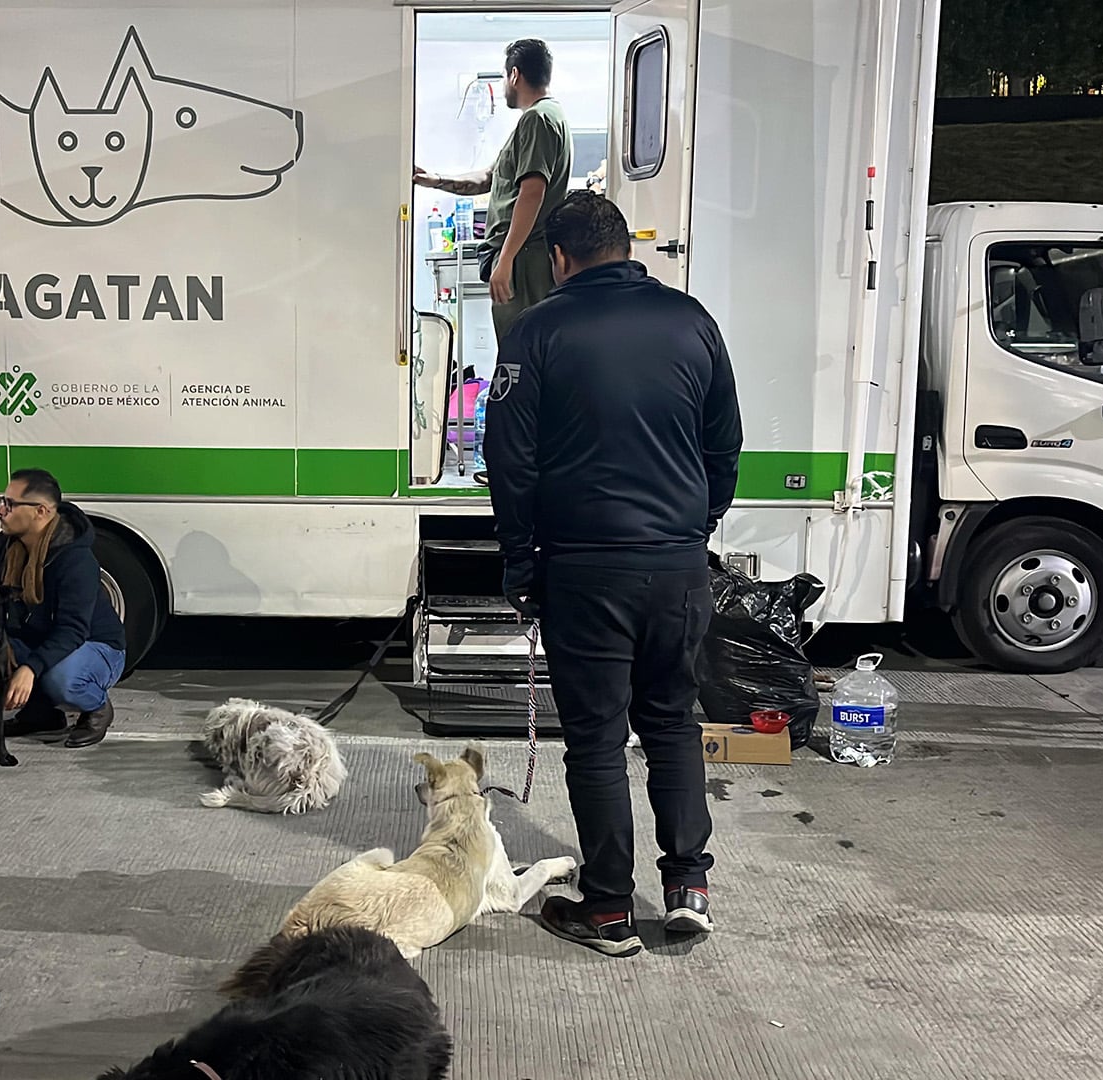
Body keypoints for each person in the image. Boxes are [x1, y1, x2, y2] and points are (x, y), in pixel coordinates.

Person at [483, 192, 743, 957]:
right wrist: (693, 528)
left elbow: (510, 461)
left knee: (597, 740)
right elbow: (722, 448)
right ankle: (688, 887)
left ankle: (607, 910)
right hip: (677, 566)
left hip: (584, 570)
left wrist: (520, 561)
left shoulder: (539, 331)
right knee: (673, 723)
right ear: (628, 249)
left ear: (558, 259)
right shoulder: (694, 322)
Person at [414, 38, 572, 348]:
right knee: (526, 349)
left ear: (515, 75)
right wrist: (435, 180)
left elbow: (532, 193)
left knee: (522, 354)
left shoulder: (537, 119)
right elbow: (489, 177)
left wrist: (506, 260)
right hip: (524, 257)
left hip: (525, 260)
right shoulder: (546, 117)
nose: (503, 86)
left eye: (503, 78)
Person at [0, 468, 127, 747]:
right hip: (39, 640)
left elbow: (73, 630)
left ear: (40, 511)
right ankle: (42, 715)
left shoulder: (76, 560)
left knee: (61, 680)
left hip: (95, 644)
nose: (0, 510)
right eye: (2, 501)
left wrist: (29, 668)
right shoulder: (3, 548)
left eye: (10, 504)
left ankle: (97, 707)